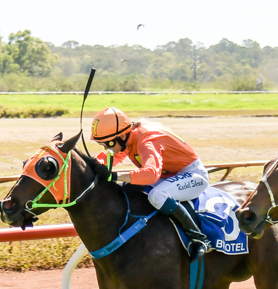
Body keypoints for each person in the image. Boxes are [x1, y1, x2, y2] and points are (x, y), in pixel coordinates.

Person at [90, 107, 211, 260]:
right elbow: (116, 155)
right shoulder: (128, 137)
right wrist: (94, 165)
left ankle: (199, 238)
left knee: (157, 195)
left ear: (122, 136)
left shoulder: (146, 140)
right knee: (127, 189)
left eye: (108, 143)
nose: (107, 148)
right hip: (169, 175)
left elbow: (151, 174)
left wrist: (115, 176)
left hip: (193, 175)